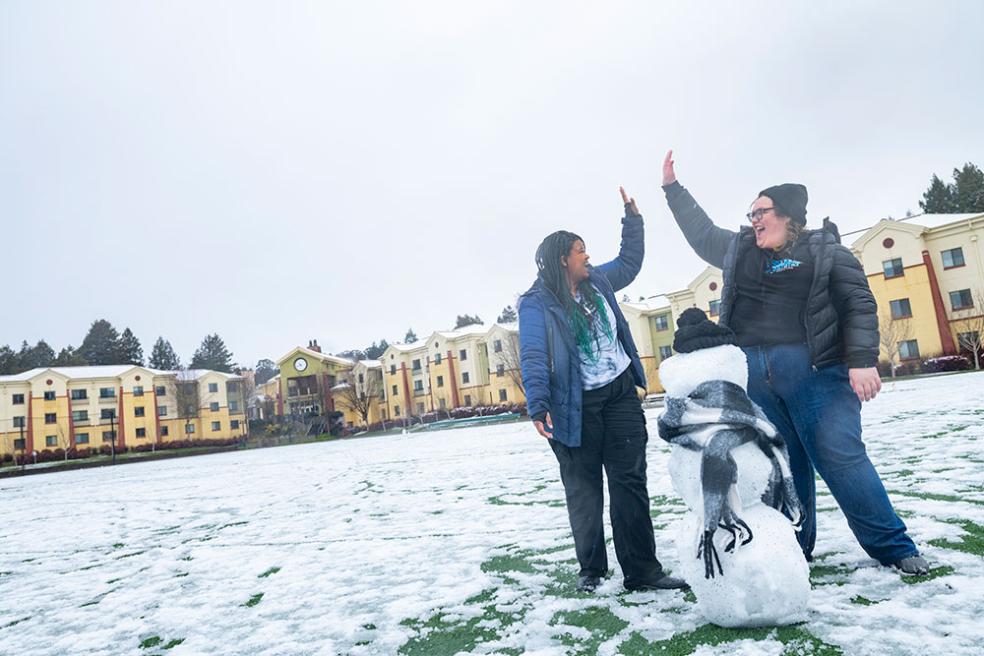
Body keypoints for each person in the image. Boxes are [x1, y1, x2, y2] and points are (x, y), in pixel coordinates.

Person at [659, 151, 929, 575]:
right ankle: (791, 549)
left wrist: (861, 360)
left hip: (817, 374)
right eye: (750, 213)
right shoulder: (740, 250)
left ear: (787, 216)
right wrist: (673, 190)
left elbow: (858, 305)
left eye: (761, 212)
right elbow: (701, 233)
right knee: (781, 467)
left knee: (841, 457)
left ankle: (894, 547)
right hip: (758, 380)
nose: (753, 220)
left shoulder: (826, 251)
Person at [518, 187, 688, 593]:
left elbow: (629, 263)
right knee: (584, 490)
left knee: (629, 481)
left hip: (619, 394)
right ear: (563, 259)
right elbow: (535, 356)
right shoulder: (536, 303)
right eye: (581, 251)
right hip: (574, 407)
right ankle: (592, 570)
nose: (588, 256)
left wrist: (633, 220)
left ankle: (643, 572)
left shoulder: (598, 281)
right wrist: (539, 404)